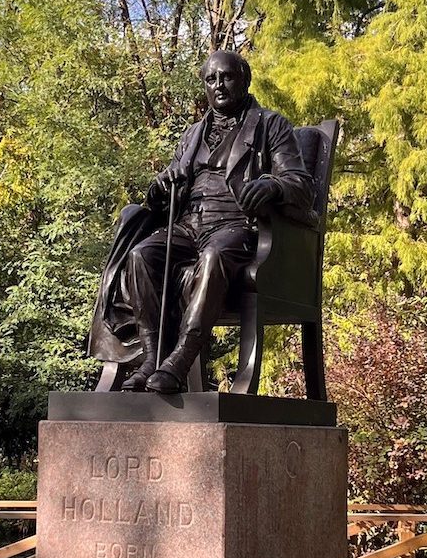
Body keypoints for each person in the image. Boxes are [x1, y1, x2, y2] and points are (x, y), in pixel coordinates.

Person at [87, 50, 315, 392]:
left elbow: (301, 185)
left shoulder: (270, 125)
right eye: (211, 79)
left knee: (214, 257)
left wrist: (271, 184)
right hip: (187, 224)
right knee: (140, 255)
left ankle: (180, 359)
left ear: (244, 80)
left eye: (227, 77)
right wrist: (162, 186)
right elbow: (167, 187)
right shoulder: (192, 134)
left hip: (236, 224)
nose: (219, 85)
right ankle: (152, 357)